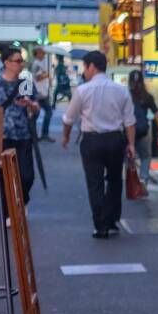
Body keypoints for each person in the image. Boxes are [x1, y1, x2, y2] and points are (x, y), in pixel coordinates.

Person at [61, 51, 136, 239]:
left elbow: (68, 118)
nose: (84, 71)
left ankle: (100, 226)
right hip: (115, 140)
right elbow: (129, 121)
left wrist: (66, 138)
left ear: (92, 67)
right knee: (114, 180)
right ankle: (112, 220)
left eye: (85, 67)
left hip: (92, 141)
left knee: (94, 183)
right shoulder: (121, 90)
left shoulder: (82, 90)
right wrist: (131, 144)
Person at [0, 46, 38, 202]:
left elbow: (36, 108)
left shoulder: (25, 83)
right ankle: (9, 213)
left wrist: (30, 104)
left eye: (22, 61)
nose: (21, 64)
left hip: (23, 136)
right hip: (2, 136)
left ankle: (22, 201)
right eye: (17, 61)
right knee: (4, 178)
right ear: (6, 63)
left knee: (27, 176)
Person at [127, 69, 158, 187]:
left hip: (128, 133)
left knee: (129, 158)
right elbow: (157, 117)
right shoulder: (147, 96)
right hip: (143, 132)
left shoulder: (126, 97)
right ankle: (143, 181)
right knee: (145, 157)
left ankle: (131, 183)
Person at [30, 46, 54, 140]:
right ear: (37, 53)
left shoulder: (42, 63)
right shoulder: (36, 64)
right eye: (41, 52)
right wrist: (46, 75)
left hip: (43, 92)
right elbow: (37, 78)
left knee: (40, 114)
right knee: (39, 114)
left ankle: (39, 135)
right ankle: (37, 135)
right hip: (38, 93)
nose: (43, 54)